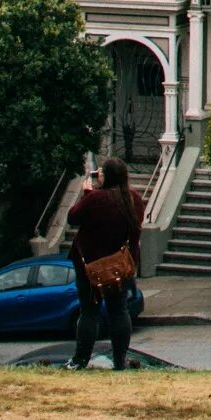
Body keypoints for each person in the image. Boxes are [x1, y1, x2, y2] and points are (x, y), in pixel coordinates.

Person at [66, 157, 143, 371]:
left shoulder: (95, 199)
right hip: (119, 267)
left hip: (90, 266)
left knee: (89, 312)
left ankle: (80, 359)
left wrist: (87, 192)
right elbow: (135, 232)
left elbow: (73, 217)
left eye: (101, 172)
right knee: (119, 311)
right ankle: (120, 360)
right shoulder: (133, 199)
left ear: (106, 176)